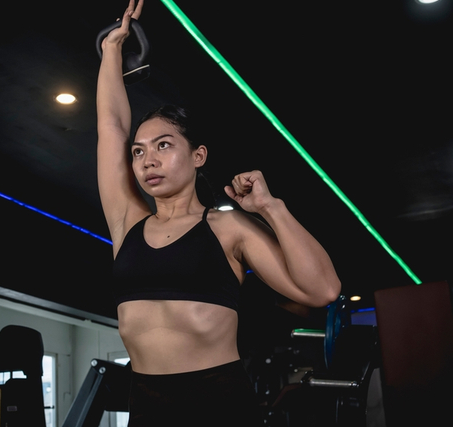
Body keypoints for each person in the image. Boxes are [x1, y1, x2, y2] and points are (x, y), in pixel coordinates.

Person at [97, 1, 342, 425]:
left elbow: (322, 291)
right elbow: (111, 127)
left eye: (163, 146)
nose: (147, 160)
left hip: (217, 403)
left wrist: (271, 208)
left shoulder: (227, 227)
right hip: (147, 403)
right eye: (138, 152)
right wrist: (113, 52)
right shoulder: (128, 222)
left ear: (198, 156)